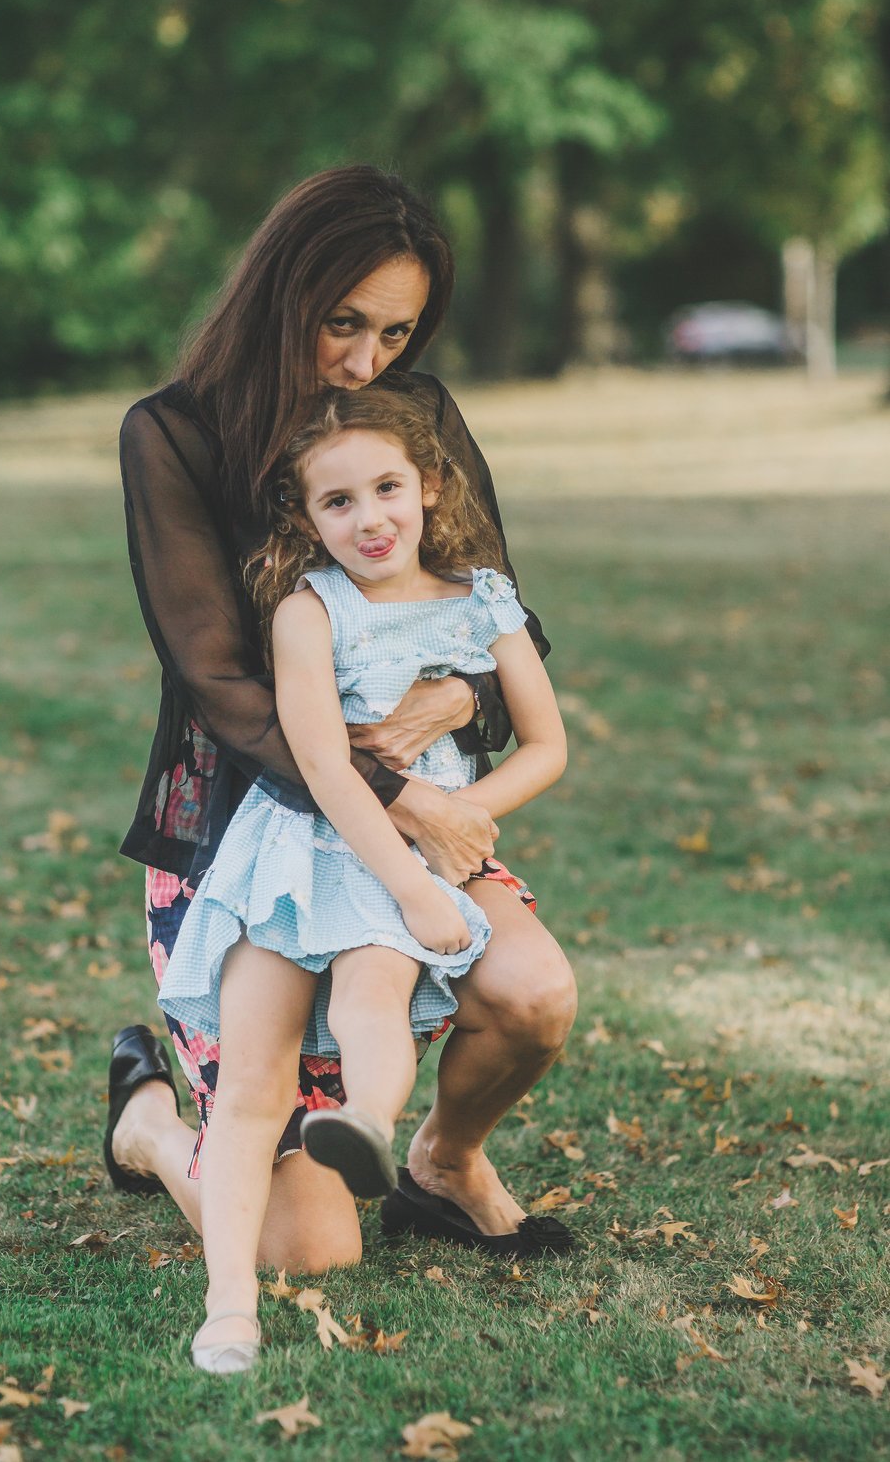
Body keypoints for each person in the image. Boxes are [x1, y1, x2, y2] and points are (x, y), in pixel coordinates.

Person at [104, 163, 577, 1291]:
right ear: (282, 293)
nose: (367, 361)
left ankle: (443, 1162)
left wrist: (461, 700)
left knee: (530, 995)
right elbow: (221, 687)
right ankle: (151, 1128)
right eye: (343, 324)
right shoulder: (171, 436)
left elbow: (496, 615)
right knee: (305, 1252)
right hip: (247, 833)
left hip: (400, 839)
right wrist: (402, 792)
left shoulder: (414, 413)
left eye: (396, 332)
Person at [154, 386, 568, 1372]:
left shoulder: (485, 603)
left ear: (429, 485)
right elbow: (323, 763)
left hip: (415, 859)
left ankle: (367, 1128)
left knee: (378, 997)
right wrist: (416, 881)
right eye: (337, 502)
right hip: (300, 849)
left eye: (387, 487)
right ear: (306, 518)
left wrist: (472, 817)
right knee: (255, 1080)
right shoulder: (309, 610)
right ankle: (227, 1308)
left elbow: (547, 744)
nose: (369, 518)